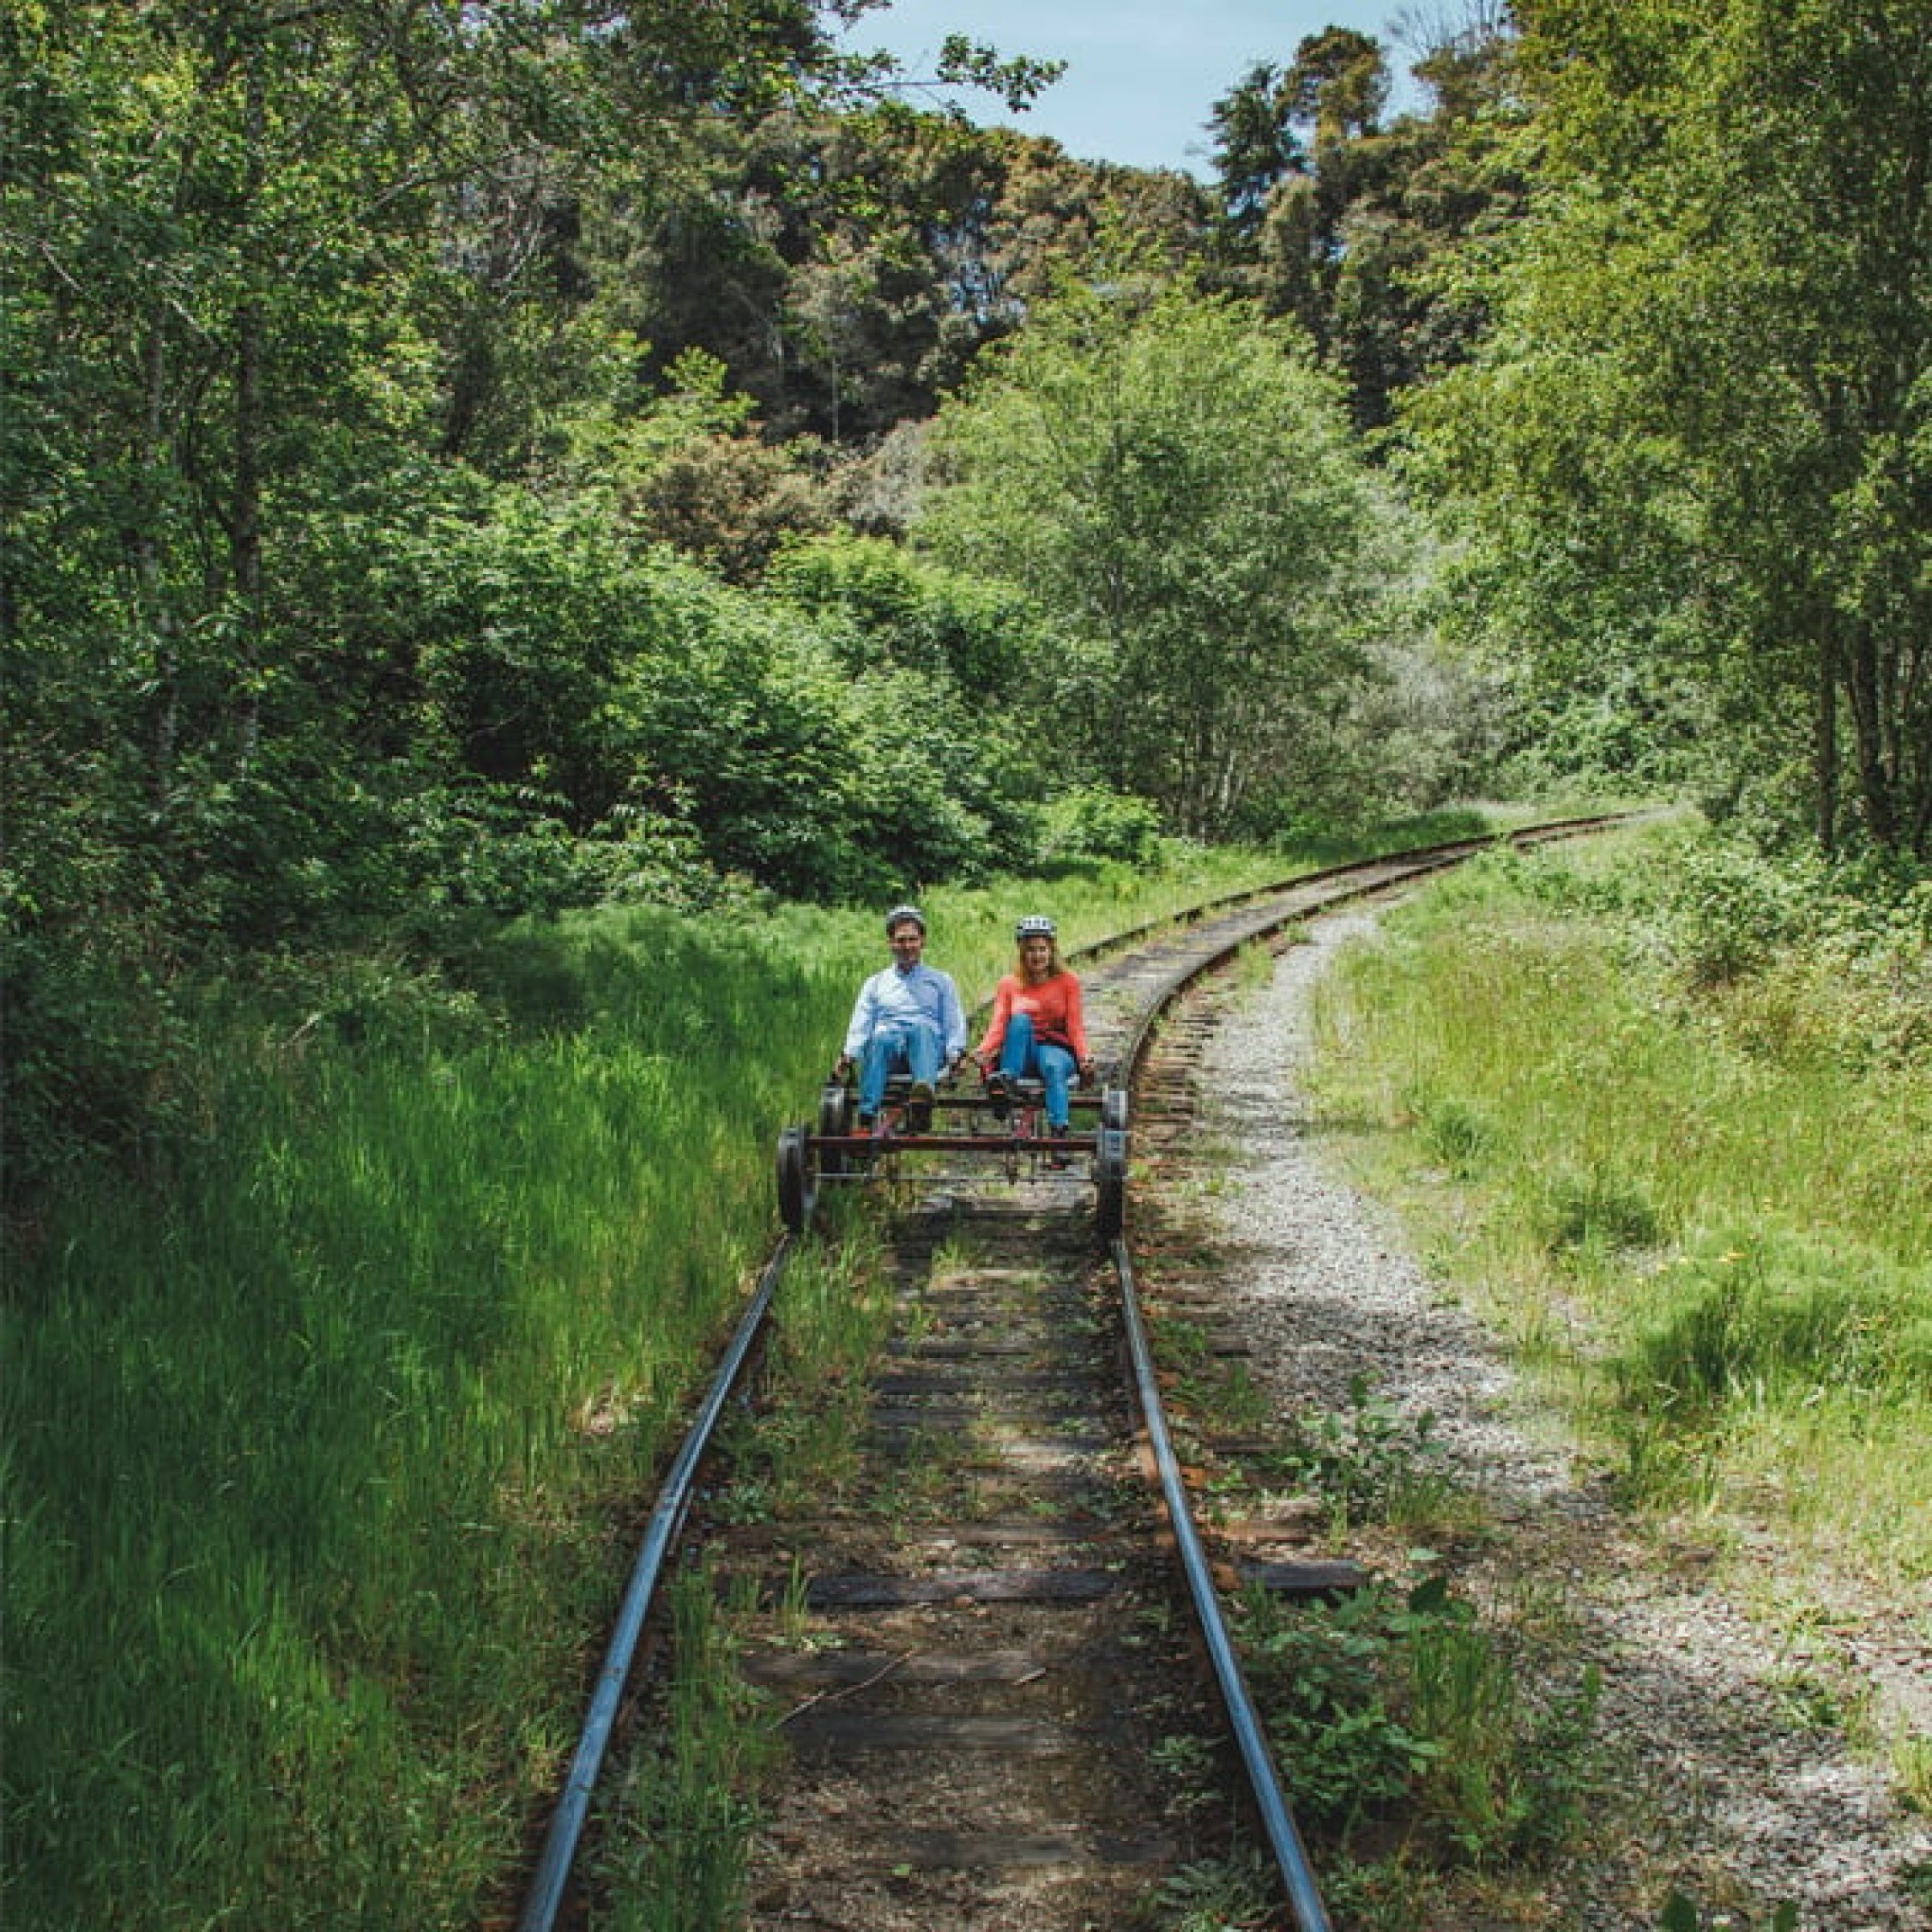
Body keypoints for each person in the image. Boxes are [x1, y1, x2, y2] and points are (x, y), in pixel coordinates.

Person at [834, 904, 967, 1131]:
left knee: (921, 1030)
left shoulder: (940, 981)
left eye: (912, 939)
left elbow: (953, 1019)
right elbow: (861, 1023)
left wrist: (956, 1053)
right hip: (888, 1052)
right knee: (881, 1037)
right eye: (900, 940)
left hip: (927, 1050)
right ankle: (867, 1118)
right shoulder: (875, 983)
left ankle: (922, 1102)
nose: (907, 947)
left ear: (923, 941)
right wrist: (849, 1055)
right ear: (891, 943)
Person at [973, 914, 1095, 1162]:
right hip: (1023, 1050)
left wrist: (1084, 1057)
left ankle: (1059, 1136)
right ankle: (1005, 1084)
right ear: (1021, 952)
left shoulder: (1068, 982)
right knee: (1019, 1021)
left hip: (1056, 1047)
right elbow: (998, 1024)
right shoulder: (1009, 984)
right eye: (1030, 950)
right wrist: (984, 1050)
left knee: (1052, 1066)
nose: (1037, 956)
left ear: (1052, 951)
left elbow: (1075, 1025)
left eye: (1042, 949)